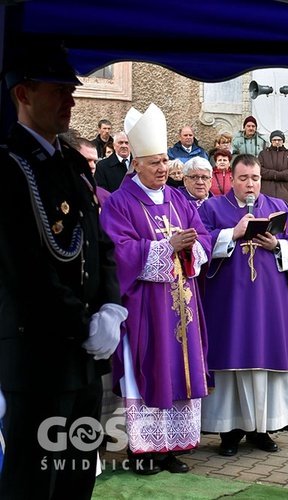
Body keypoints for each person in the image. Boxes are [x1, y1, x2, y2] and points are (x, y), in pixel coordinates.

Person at [0, 44, 125, 498]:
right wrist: (84, 324)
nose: (71, 102)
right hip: (40, 355)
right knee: (34, 484)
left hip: (85, 358)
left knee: (75, 480)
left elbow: (101, 244)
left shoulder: (70, 164)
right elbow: (24, 269)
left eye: (71, 92)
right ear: (23, 93)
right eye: (59, 92)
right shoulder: (10, 168)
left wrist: (111, 307)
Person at [100, 103, 212, 475]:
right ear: (136, 165)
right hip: (145, 307)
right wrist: (167, 249)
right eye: (154, 163)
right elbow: (120, 251)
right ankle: (144, 450)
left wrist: (192, 246)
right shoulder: (119, 203)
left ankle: (172, 449)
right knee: (149, 370)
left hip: (183, 305)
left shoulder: (179, 198)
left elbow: (203, 237)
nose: (163, 168)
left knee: (180, 372)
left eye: (165, 161)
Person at [198, 153, 288, 457]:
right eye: (243, 178)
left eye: (255, 178)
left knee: (265, 360)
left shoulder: (278, 208)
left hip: (268, 304)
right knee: (229, 362)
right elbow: (199, 244)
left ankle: (262, 429)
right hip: (228, 304)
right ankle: (229, 432)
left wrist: (278, 245)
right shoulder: (213, 207)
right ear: (231, 179)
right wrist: (230, 235)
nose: (250, 184)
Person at [257, 130, 288, 203]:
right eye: (274, 140)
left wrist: (277, 175)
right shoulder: (263, 154)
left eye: (279, 140)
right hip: (266, 194)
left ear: (283, 141)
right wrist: (274, 175)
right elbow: (259, 170)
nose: (277, 142)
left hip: (285, 194)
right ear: (271, 141)